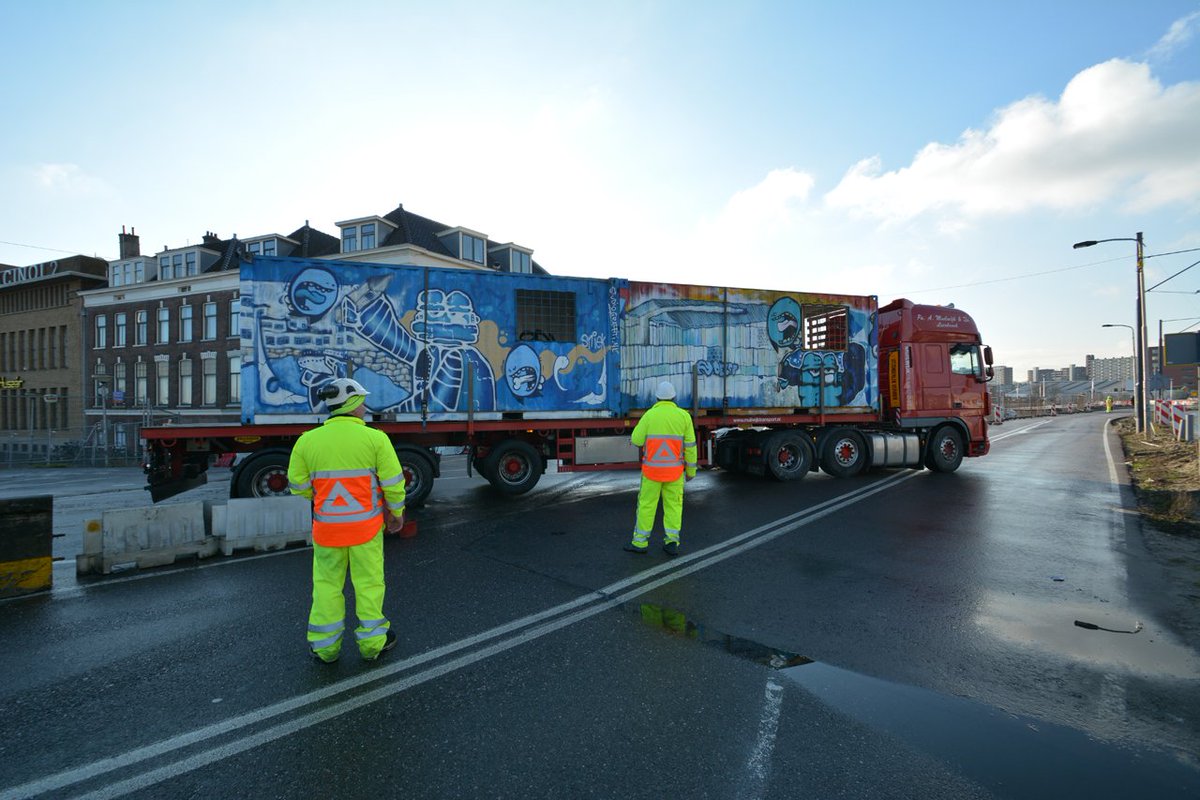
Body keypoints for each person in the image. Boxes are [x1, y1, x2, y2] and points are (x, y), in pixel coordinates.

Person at [287, 378, 406, 663]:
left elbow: (298, 486)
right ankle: (373, 644)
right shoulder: (376, 439)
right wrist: (396, 514)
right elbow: (393, 484)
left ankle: (325, 648)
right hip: (366, 531)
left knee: (326, 586)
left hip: (327, 532)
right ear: (352, 404)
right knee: (369, 585)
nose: (364, 406)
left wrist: (323, 498)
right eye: (362, 401)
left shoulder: (307, 441)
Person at [625, 380, 697, 557]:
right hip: (674, 473)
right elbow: (690, 447)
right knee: (673, 506)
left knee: (646, 506)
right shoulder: (684, 416)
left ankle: (640, 543)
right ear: (674, 397)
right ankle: (671, 543)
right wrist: (691, 472)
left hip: (651, 473)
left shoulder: (650, 415)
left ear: (657, 398)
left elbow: (636, 440)